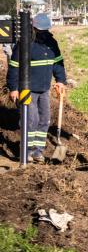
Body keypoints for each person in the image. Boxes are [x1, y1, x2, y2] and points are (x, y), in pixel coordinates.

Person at [6, 13, 66, 163]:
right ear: (33, 28)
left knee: (44, 120)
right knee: (31, 120)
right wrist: (13, 88)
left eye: (45, 31)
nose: (43, 33)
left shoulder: (52, 43)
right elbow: (14, 67)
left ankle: (37, 152)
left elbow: (58, 62)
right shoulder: (25, 44)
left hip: (44, 89)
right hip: (28, 90)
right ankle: (26, 151)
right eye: (40, 31)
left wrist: (60, 80)